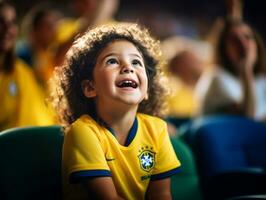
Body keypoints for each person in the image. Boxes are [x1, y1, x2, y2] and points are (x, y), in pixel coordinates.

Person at [50, 22, 181, 199]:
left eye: (136, 61)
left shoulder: (157, 129)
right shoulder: (83, 132)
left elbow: (161, 195)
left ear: (147, 90)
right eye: (112, 61)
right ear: (90, 87)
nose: (128, 67)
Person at [0, 1, 55, 131]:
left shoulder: (20, 69)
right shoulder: (25, 56)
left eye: (12, 22)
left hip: (46, 139)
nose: (8, 28)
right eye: (1, 22)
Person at [197, 18, 266, 120]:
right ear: (223, 49)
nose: (243, 45)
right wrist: (245, 68)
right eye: (234, 40)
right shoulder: (216, 78)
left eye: (247, 37)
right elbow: (247, 119)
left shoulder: (261, 81)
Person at [16, 3, 61, 90]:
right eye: (48, 26)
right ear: (35, 29)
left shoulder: (49, 54)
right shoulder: (22, 56)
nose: (54, 30)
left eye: (53, 26)